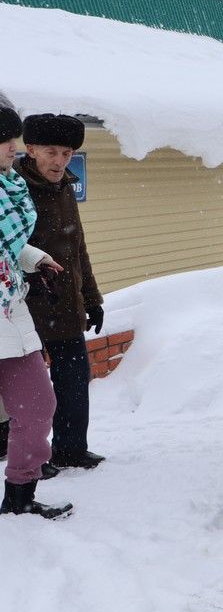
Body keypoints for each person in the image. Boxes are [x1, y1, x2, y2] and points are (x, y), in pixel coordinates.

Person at [16, 114, 105, 471]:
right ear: (31, 149)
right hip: (26, 307)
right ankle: (31, 459)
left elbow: (78, 250)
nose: (59, 161)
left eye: (67, 153)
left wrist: (94, 299)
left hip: (66, 306)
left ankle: (71, 449)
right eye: (51, 152)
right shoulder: (13, 189)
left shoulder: (66, 186)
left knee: (74, 381)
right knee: (29, 394)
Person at [0, 102, 72, 519]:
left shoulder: (9, 187)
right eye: (6, 140)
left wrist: (35, 259)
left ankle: (20, 494)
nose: (15, 148)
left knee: (38, 405)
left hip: (11, 313)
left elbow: (8, 243)